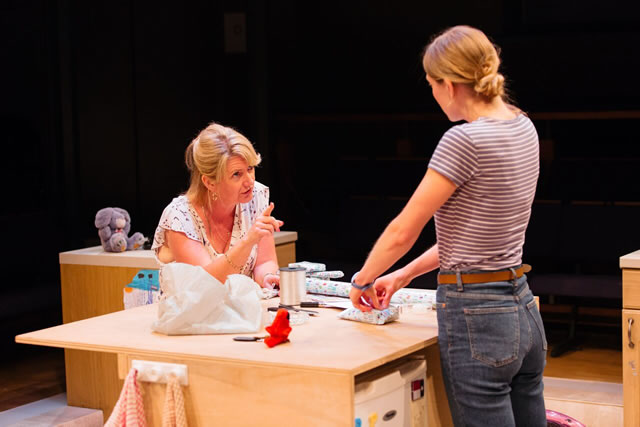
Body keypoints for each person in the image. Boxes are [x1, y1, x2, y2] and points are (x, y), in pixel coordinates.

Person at [349, 26, 546, 426]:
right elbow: (473, 237)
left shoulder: (463, 141)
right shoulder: (523, 126)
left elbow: (403, 231)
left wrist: (362, 280)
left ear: (450, 85)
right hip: (523, 309)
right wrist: (403, 274)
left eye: (432, 85)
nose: (434, 95)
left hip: (477, 317)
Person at [152, 122, 283, 289]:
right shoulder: (179, 216)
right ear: (209, 182)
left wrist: (268, 277)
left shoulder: (255, 195)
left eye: (250, 168)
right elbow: (206, 285)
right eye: (237, 174)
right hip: (195, 305)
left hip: (240, 304)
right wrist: (248, 241)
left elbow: (265, 261)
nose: (250, 181)